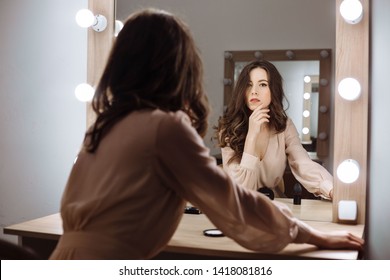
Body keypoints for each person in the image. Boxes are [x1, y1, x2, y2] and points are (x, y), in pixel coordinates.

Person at [49, 8, 362, 260]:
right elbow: (234, 201)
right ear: (178, 65)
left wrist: (336, 190)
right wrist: (310, 234)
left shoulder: (103, 125)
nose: (255, 91)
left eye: (263, 84)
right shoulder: (164, 128)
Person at [215, 60, 333, 200]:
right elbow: (240, 189)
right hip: (238, 208)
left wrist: (331, 190)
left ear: (273, 90)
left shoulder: (284, 125)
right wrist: (252, 135)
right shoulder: (229, 128)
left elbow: (303, 164)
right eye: (249, 85)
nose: (254, 91)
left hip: (273, 206)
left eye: (263, 84)